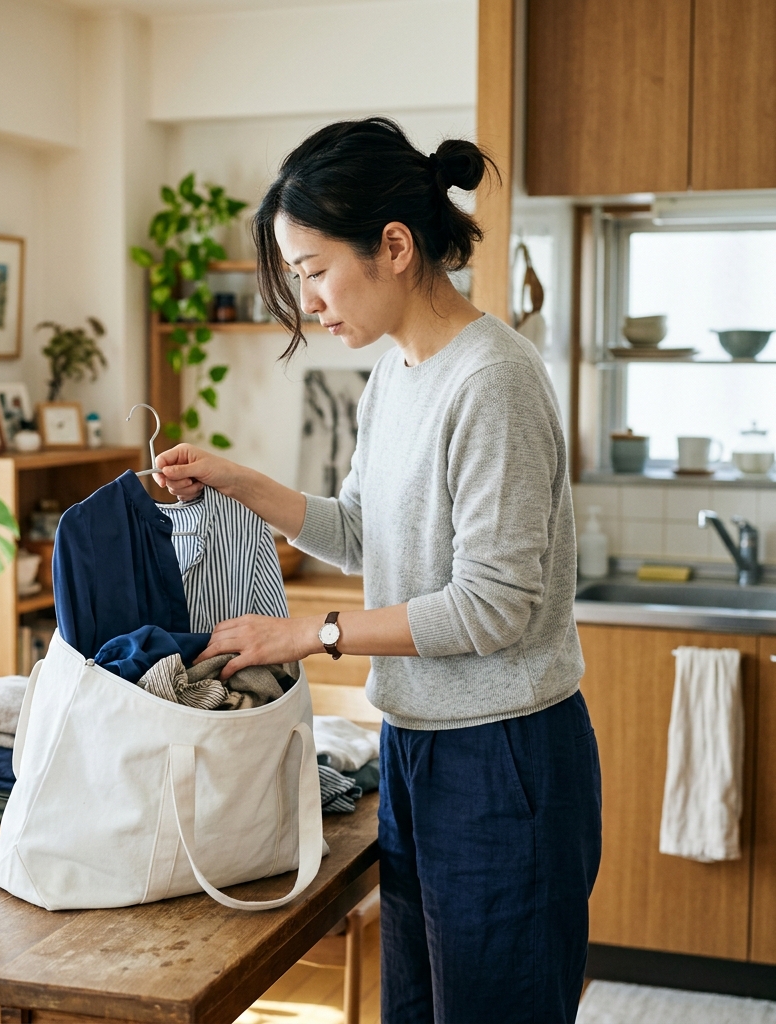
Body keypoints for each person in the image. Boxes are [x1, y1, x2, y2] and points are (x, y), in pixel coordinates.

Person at [153, 117, 601, 1024]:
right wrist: (239, 482)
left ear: (394, 246)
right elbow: (364, 534)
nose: (309, 300)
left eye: (315, 270)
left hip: (504, 755)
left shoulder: (493, 380)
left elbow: (493, 608)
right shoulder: (395, 374)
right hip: (416, 741)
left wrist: (312, 635)